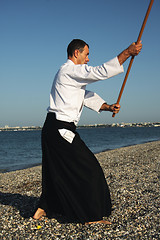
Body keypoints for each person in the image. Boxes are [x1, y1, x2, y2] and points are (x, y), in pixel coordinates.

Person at [33, 39, 142, 224]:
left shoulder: (70, 76)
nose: (88, 59)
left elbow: (84, 95)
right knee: (89, 168)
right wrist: (127, 53)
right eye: (87, 54)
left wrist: (107, 107)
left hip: (53, 128)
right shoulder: (69, 70)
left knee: (55, 171)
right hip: (59, 128)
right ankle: (90, 216)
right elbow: (98, 72)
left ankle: (43, 208)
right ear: (77, 53)